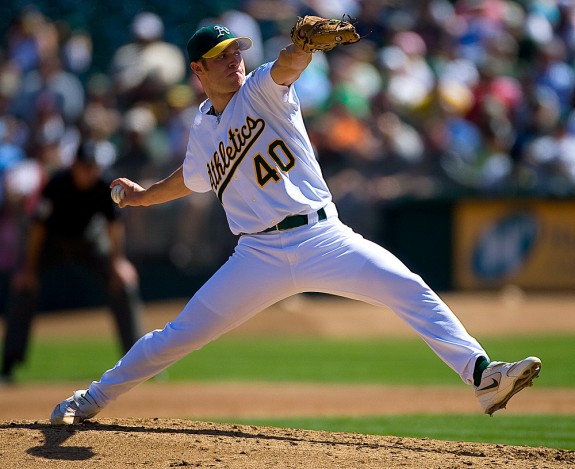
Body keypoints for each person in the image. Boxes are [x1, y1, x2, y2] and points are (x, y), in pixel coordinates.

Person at [50, 21, 541, 424]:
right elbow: (193, 176)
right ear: (198, 69)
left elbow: (287, 66)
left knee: (408, 287)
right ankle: (89, 400)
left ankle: (483, 377)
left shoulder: (262, 88)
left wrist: (300, 47)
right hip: (256, 256)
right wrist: (142, 197)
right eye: (221, 55)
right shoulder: (202, 127)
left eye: (235, 50)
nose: (233, 59)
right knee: (176, 336)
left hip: (323, 236)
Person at [1, 141, 144, 382]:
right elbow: (37, 229)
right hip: (52, 243)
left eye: (93, 166)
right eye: (85, 166)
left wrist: (118, 262)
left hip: (89, 242)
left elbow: (113, 225)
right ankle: (8, 366)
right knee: (24, 286)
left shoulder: (102, 184)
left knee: (123, 284)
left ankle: (138, 363)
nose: (90, 171)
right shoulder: (57, 184)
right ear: (74, 166)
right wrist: (28, 268)